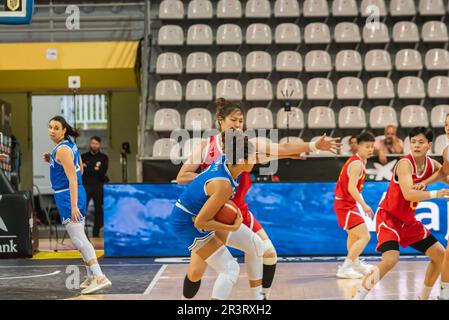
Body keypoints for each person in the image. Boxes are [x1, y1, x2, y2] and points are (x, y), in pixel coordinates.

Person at [177, 98, 341, 299]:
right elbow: (182, 176)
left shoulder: (248, 146)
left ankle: (260, 298)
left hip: (238, 211)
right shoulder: (206, 147)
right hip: (213, 213)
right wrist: (211, 178)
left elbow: (279, 148)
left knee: (268, 252)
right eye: (234, 120)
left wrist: (314, 145)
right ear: (220, 120)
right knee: (195, 271)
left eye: (241, 121)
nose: (238, 125)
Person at [353, 127, 449, 300]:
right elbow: (409, 194)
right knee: (390, 259)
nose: (416, 145)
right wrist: (436, 194)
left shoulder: (432, 165)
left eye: (420, 142)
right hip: (388, 218)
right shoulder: (404, 164)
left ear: (429, 145)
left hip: (408, 222)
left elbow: (445, 175)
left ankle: (424, 297)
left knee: (440, 255)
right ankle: (358, 296)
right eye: (413, 142)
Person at [171, 130, 261, 300]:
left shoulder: (227, 162)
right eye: (253, 156)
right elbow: (200, 222)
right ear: (242, 160)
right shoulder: (223, 185)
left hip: (202, 214)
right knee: (230, 269)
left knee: (256, 244)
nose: (256, 160)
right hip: (187, 223)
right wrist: (231, 226)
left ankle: (259, 299)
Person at [44, 116, 112, 295]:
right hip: (75, 192)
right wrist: (53, 163)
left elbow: (73, 178)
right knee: (80, 236)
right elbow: (79, 169)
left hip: (68, 195)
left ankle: (99, 276)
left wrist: (73, 205)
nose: (52, 130)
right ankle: (91, 275)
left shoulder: (62, 149)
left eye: (56, 128)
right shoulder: (70, 145)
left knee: (78, 239)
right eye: (50, 127)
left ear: (64, 130)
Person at [416, 114, 449, 300]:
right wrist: (425, 183)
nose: (448, 128)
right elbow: (444, 172)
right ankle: (444, 294)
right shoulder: (447, 150)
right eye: (445, 124)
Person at [334, 131, 375, 279]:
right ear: (358, 146)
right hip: (345, 205)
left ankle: (355, 263)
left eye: (372, 146)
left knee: (353, 235)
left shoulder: (359, 161)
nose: (370, 149)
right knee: (365, 236)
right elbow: (351, 188)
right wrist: (364, 205)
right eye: (367, 146)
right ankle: (345, 268)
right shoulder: (357, 164)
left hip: (346, 204)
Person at [81, 136, 109, 238]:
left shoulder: (104, 157)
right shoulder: (83, 156)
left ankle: (96, 232)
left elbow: (102, 172)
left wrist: (88, 167)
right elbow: (82, 172)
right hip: (86, 185)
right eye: (93, 143)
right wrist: (94, 168)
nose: (94, 145)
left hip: (98, 186)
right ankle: (81, 232)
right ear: (90, 144)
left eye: (97, 144)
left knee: (99, 209)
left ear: (100, 145)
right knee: (82, 209)